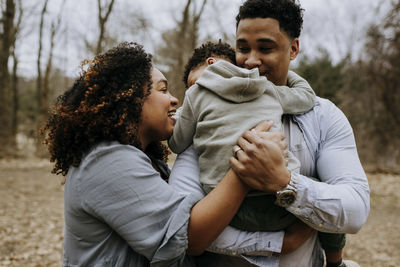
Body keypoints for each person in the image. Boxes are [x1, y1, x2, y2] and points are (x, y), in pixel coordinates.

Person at [41, 42, 290, 266]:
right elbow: (188, 238)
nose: (174, 100)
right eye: (162, 90)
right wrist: (246, 161)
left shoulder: (144, 160)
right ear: (128, 98)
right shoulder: (106, 160)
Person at [169, 0, 370, 266]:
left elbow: (355, 210)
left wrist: (284, 182)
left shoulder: (324, 116)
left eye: (265, 48)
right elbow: (182, 233)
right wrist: (275, 244)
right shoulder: (211, 114)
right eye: (242, 48)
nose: (251, 61)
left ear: (293, 48)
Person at [169, 41, 316, 232]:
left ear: (211, 63)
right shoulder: (266, 88)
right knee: (320, 195)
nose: (189, 90)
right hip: (279, 199)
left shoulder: (196, 94)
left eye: (191, 83)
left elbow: (176, 143)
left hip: (227, 209)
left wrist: (182, 112)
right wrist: (282, 69)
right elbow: (306, 96)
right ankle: (334, 259)